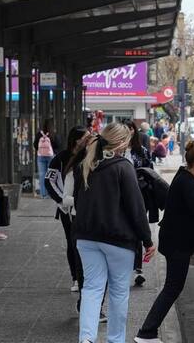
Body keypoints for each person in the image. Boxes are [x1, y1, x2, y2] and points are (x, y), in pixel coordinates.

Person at [134, 141, 194, 343]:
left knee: (172, 287)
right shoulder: (186, 181)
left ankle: (147, 332)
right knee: (172, 288)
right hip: (177, 243)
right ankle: (146, 333)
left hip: (175, 241)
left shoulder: (187, 177)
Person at [74, 123, 156, 343]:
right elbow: (136, 208)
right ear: (121, 143)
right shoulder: (123, 167)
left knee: (91, 288)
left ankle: (86, 339)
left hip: (86, 237)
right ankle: (115, 340)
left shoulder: (86, 165)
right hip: (118, 240)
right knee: (119, 292)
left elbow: (78, 202)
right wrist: (147, 240)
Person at [44, 126, 92, 293]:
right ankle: (76, 277)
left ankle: (87, 276)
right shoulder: (60, 158)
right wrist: (62, 201)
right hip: (67, 209)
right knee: (73, 243)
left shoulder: (89, 155)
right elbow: (49, 181)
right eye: (86, 137)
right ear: (77, 140)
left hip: (86, 208)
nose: (89, 139)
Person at [123, 120, 153, 287]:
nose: (129, 132)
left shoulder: (141, 151)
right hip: (119, 199)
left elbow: (150, 172)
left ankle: (138, 269)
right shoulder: (114, 152)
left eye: (131, 129)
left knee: (138, 229)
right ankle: (126, 265)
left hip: (140, 196)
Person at [34, 120, 60, 199]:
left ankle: (43, 194)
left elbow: (35, 144)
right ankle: (51, 193)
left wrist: (40, 150)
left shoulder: (39, 134)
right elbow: (57, 144)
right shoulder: (52, 134)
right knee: (51, 175)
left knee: (42, 175)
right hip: (50, 156)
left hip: (40, 156)